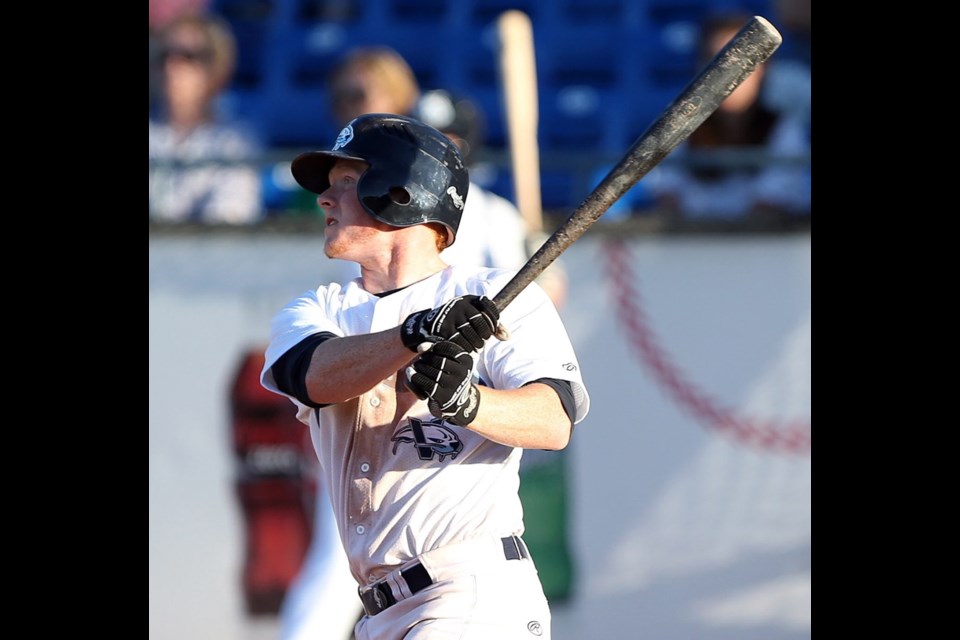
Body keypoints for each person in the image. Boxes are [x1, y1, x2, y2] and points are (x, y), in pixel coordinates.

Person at [259, 113, 590, 640]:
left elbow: (554, 420)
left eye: (346, 181)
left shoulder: (500, 296)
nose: (325, 198)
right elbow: (312, 375)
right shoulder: (320, 309)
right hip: (378, 610)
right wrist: (413, 334)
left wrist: (468, 402)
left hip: (473, 594)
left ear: (402, 191)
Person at [647, 12, 811, 226]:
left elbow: (769, 207)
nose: (731, 77)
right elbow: (666, 197)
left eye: (744, 64)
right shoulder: (677, 123)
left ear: (763, 70)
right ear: (701, 67)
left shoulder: (784, 128)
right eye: (717, 63)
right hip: (687, 246)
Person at [149, 12, 263, 224]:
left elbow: (229, 219)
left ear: (217, 67)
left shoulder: (235, 140)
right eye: (164, 55)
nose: (171, 67)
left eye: (189, 56)